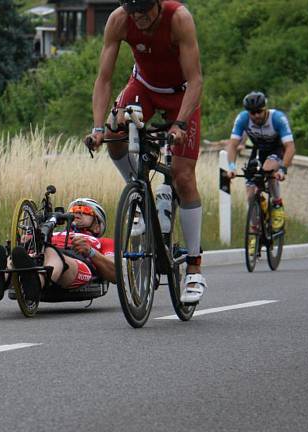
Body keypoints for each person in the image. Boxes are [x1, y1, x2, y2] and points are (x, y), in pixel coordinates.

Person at [84, 0, 205, 304]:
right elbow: (104, 78)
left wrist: (178, 124)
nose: (138, 17)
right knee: (114, 135)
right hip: (143, 87)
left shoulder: (179, 18)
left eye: (144, 11)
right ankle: (138, 194)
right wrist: (98, 128)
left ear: (157, 5)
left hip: (180, 95)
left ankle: (193, 266)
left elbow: (196, 80)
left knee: (183, 177)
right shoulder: (119, 20)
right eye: (132, 11)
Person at [0, 198, 115, 303]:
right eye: (74, 210)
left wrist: (90, 251)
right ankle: (0, 280)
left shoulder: (104, 242)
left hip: (76, 263)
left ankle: (37, 282)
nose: (78, 212)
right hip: (41, 255)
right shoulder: (55, 233)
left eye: (86, 210)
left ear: (98, 226)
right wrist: (28, 240)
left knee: (51, 252)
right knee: (19, 252)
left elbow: (115, 273)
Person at [225, 91, 295, 232]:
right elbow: (232, 145)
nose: (256, 115)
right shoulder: (243, 119)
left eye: (259, 111)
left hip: (276, 150)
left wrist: (282, 169)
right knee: (251, 195)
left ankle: (277, 204)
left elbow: (290, 147)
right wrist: (231, 167)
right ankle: (255, 230)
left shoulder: (277, 118)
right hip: (258, 151)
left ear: (266, 108)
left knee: (268, 169)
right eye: (252, 113)